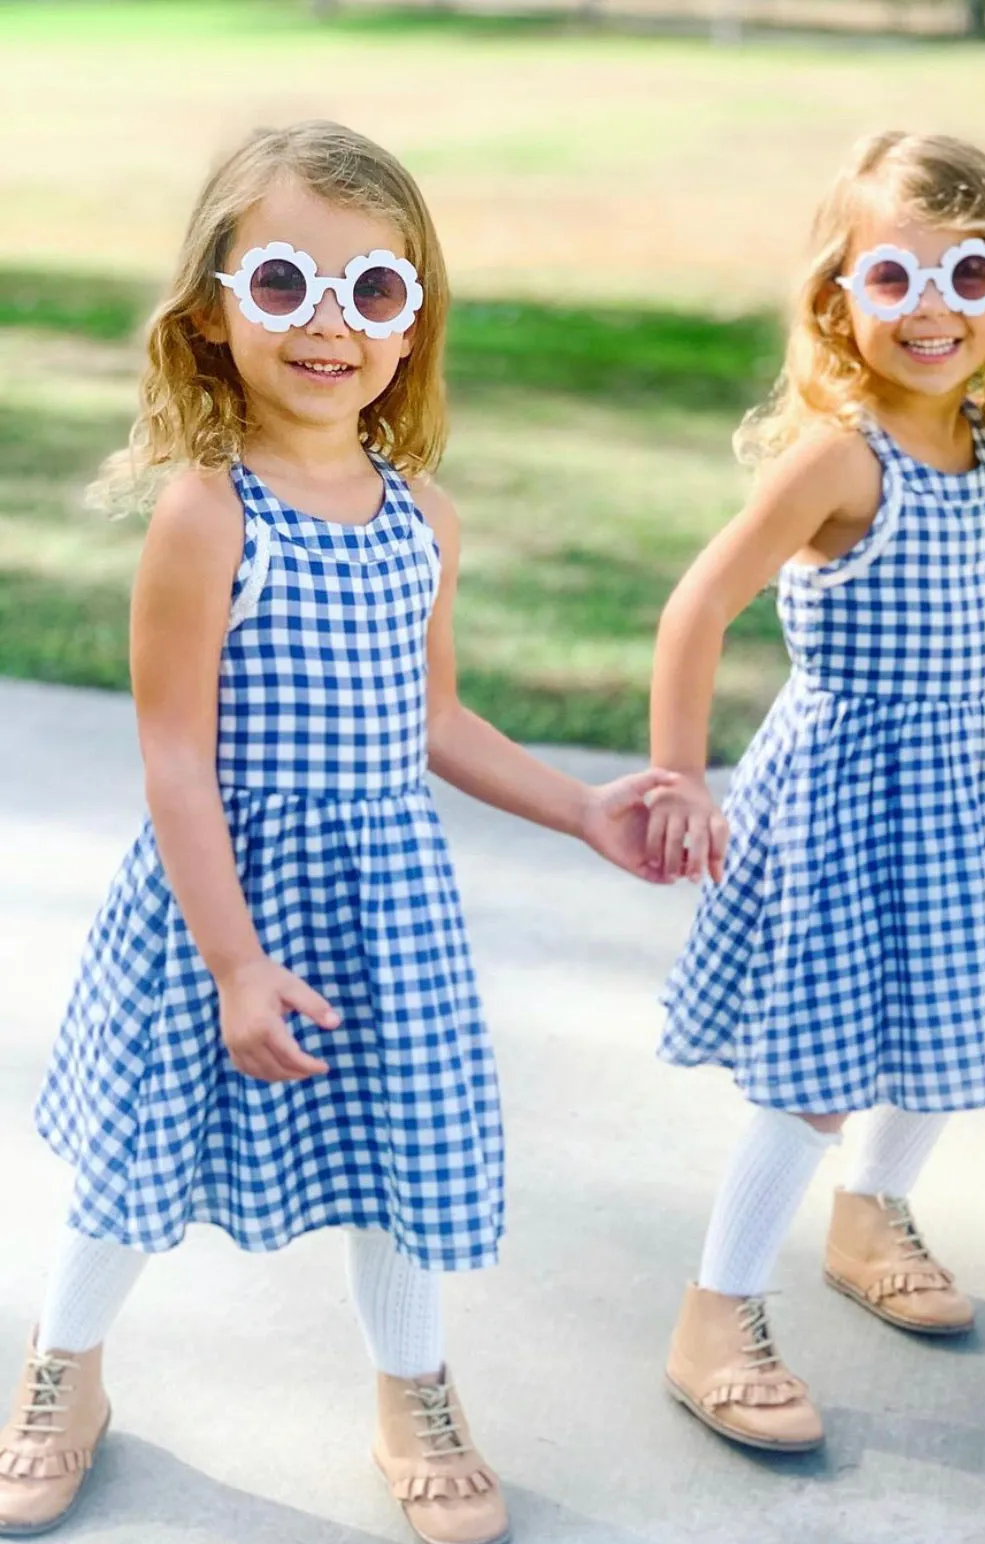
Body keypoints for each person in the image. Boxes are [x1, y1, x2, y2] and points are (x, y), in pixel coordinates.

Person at [0, 120, 677, 1544]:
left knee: (396, 1155)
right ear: (211, 313)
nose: (329, 325)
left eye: (372, 291)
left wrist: (580, 808)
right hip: (220, 905)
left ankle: (411, 1392)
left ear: (414, 319)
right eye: (286, 285)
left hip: (384, 905)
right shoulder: (204, 515)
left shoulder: (418, 516)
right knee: (140, 1155)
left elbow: (433, 719)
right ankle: (64, 1375)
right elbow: (176, 762)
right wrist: (235, 964)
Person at [644, 131, 985, 1454]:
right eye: (893, 277)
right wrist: (677, 773)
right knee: (817, 1071)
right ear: (837, 296)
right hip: (839, 798)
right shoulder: (839, 461)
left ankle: (864, 1215)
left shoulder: (983, 453)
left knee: (958, 1027)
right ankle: (713, 1311)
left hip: (951, 797)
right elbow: (696, 606)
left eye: (967, 275)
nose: (933, 309)